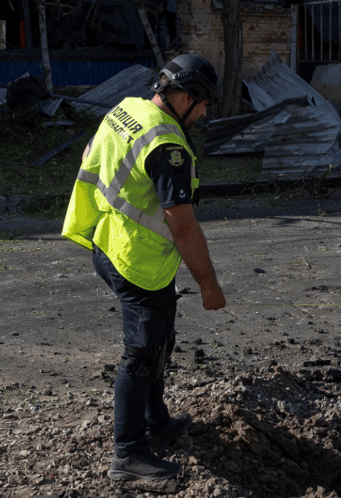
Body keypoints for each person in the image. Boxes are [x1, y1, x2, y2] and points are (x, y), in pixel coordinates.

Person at [62, 54, 227, 482]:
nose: (205, 113)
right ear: (186, 97)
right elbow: (183, 226)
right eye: (204, 104)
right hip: (138, 263)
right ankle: (129, 454)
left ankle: (156, 425)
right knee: (141, 355)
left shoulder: (128, 109)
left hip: (108, 241)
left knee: (158, 342)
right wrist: (209, 286)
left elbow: (90, 153)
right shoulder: (168, 147)